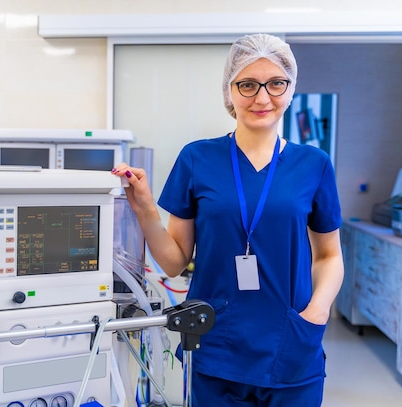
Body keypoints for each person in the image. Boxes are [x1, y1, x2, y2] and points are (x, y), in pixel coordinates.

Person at [111, 33, 344, 406]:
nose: (262, 98)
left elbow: (329, 255)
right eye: (248, 84)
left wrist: (317, 311)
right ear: (229, 90)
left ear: (290, 87)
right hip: (219, 346)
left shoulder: (313, 165)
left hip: (291, 346)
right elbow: (174, 262)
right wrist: (145, 209)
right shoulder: (196, 159)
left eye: (275, 84)